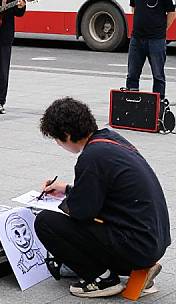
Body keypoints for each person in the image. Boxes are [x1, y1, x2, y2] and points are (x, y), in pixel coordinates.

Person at [34, 97, 170, 299]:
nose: (57, 143)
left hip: (136, 247)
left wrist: (66, 203)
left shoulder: (91, 157)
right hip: (152, 241)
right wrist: (68, 189)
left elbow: (82, 212)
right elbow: (107, 193)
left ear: (67, 135)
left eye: (57, 138)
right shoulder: (110, 139)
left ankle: (101, 279)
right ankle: (137, 268)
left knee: (46, 222)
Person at [126, 0, 176, 100]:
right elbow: (134, 9)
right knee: (132, 75)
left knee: (158, 75)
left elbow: (172, 13)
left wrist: (161, 30)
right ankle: (131, 103)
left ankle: (158, 107)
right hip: (136, 39)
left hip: (156, 40)